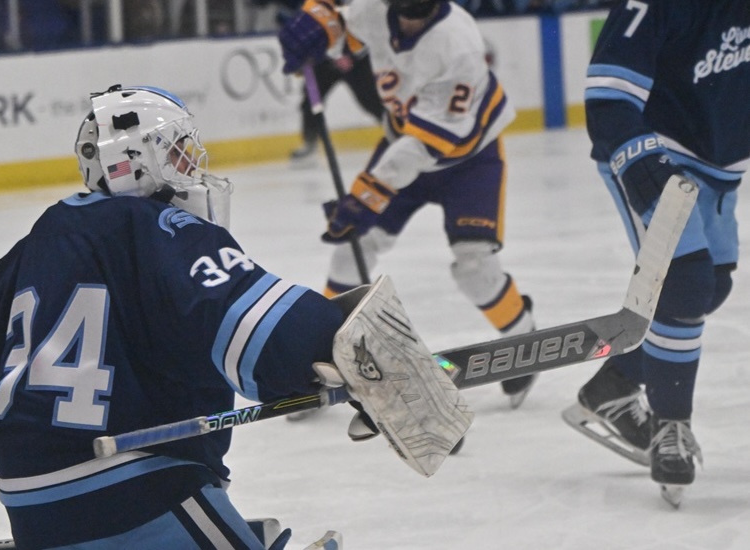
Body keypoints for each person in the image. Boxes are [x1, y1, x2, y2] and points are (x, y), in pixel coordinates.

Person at [0, 85, 470, 548]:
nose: (192, 166)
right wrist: (353, 357)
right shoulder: (159, 227)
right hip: (133, 493)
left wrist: (36, 410)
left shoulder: (46, 233)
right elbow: (263, 329)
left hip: (27, 501)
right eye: (180, 152)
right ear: (139, 159)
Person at [277, 0, 538, 408]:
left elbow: (424, 146)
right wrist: (317, 27)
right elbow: (340, 25)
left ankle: (524, 337)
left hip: (468, 160)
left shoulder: (458, 43)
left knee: (475, 268)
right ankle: (324, 355)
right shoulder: (377, 10)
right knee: (351, 249)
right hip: (403, 143)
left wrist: (364, 196)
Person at [560, 0, 750, 505]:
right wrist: (641, 166)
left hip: (720, 166)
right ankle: (672, 427)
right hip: (657, 157)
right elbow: (607, 96)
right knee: (685, 284)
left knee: (714, 285)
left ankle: (611, 388)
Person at [251, 0, 385, 164]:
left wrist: (348, 54)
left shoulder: (354, 7)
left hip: (352, 58)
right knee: (311, 100)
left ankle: (394, 129)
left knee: (370, 99)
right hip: (323, 59)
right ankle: (310, 142)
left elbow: (359, 23)